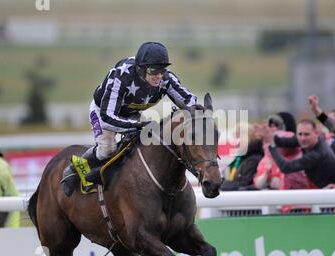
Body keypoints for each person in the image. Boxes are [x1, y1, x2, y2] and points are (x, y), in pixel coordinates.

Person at [61, 42, 199, 196]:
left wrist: (193, 114)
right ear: (140, 69)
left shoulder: (165, 79)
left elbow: (189, 100)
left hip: (133, 113)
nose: (159, 76)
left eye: (162, 70)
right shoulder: (121, 76)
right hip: (104, 112)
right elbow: (107, 118)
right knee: (108, 149)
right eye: (154, 70)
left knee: (150, 144)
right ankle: (76, 166)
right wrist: (137, 126)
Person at [263, 119, 335, 188]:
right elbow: (282, 142)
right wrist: (269, 135)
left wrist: (272, 145)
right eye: (300, 134)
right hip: (317, 188)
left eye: (306, 134)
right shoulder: (310, 140)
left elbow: (286, 167)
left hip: (328, 193)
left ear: (316, 133)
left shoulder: (317, 154)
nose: (303, 138)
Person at [220, 123, 264, 191]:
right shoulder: (239, 159)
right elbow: (228, 179)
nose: (234, 142)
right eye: (234, 137)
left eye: (238, 137)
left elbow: (244, 184)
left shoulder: (254, 160)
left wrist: (221, 186)